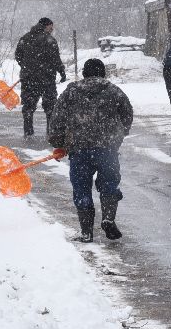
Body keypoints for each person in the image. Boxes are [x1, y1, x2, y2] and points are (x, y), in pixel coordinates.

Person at [48, 57, 134, 243]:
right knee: (109, 184)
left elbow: (57, 119)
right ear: (102, 73)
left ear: (84, 73)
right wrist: (118, 135)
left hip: (80, 150)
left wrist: (58, 143)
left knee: (81, 188)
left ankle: (86, 232)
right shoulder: (113, 90)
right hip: (107, 149)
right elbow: (127, 113)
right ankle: (108, 218)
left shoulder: (71, 91)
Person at [14, 18, 67, 138]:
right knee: (50, 105)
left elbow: (18, 55)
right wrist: (61, 71)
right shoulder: (50, 40)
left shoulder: (25, 38)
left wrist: (26, 66)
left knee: (28, 106)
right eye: (50, 26)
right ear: (46, 26)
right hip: (47, 77)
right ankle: (50, 132)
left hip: (28, 77)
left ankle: (28, 132)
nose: (52, 29)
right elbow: (55, 58)